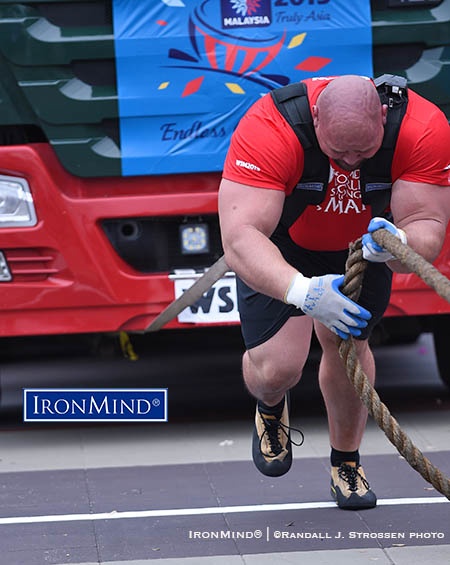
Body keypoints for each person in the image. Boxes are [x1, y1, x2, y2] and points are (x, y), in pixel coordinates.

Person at [218, 74, 450, 510]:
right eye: (336, 152)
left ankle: (346, 461)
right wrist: (303, 291)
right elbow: (241, 238)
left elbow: (426, 236)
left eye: (363, 152)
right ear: (317, 117)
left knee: (347, 347)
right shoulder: (271, 126)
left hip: (364, 245)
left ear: (383, 117)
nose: (349, 163)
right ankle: (270, 406)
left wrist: (397, 242)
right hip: (282, 245)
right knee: (277, 370)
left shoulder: (423, 128)